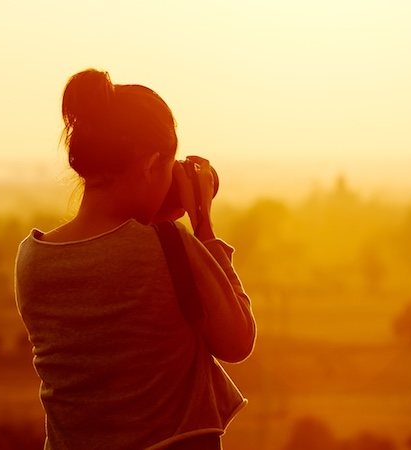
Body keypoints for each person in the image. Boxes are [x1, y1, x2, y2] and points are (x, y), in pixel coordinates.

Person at [14, 69, 256, 450]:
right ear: (148, 165)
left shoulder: (32, 259)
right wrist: (203, 225)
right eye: (167, 165)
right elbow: (238, 340)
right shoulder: (166, 244)